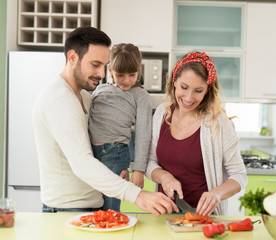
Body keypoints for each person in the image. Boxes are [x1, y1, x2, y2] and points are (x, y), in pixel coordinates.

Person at [32, 26, 178, 215]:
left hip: (92, 203)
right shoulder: (59, 100)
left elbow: (113, 132)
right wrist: (138, 195)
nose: (102, 74)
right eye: (95, 64)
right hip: (67, 209)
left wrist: (119, 171)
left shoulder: (85, 96)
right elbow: (83, 163)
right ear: (72, 57)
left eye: (104, 65)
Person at [145, 52, 247, 216]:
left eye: (198, 90)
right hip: (163, 211)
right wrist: (164, 177)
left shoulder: (219, 123)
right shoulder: (162, 114)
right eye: (184, 87)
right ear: (174, 81)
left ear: (207, 90)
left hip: (203, 216)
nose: (189, 97)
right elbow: (150, 162)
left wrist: (217, 194)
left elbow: (240, 176)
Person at [88, 43, 151, 211]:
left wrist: (138, 169)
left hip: (115, 153)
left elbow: (144, 133)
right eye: (120, 75)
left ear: (138, 69)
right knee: (91, 205)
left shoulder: (140, 95)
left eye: (132, 74)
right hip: (90, 155)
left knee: (109, 208)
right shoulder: (99, 89)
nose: (127, 80)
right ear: (110, 70)